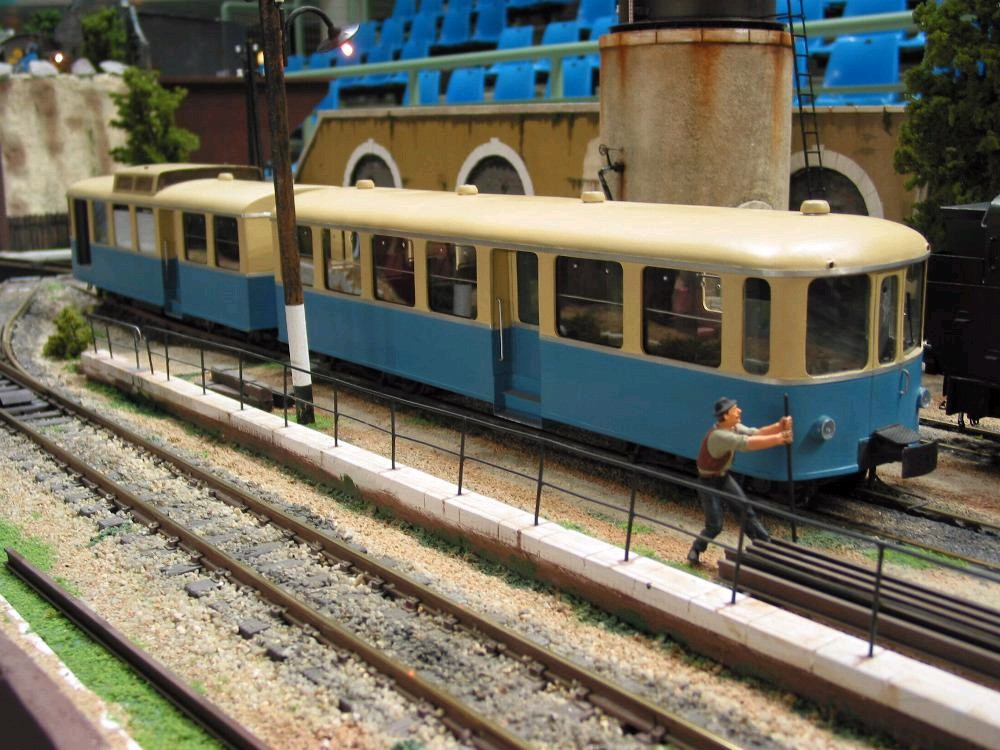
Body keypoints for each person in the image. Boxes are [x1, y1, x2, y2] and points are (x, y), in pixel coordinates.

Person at [687, 397, 793, 566]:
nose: (739, 411)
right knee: (715, 525)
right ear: (725, 415)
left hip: (723, 478)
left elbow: (755, 433)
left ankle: (764, 543)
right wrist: (779, 438)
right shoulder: (719, 436)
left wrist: (778, 426)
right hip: (708, 482)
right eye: (735, 409)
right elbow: (747, 444)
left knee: (745, 510)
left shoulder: (733, 427)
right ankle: (696, 549)